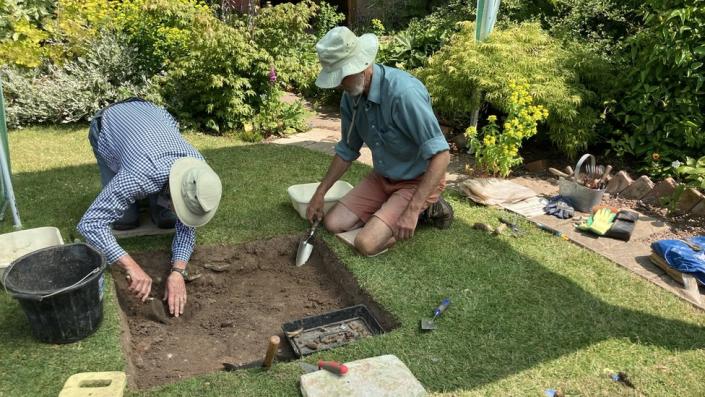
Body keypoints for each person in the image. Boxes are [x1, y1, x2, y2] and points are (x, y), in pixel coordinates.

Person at [306, 27, 453, 256]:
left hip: (417, 181)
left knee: (366, 243)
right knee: (334, 223)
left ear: (361, 65)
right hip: (382, 178)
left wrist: (412, 210)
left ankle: (429, 208)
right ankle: (389, 210)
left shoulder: (404, 94)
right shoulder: (351, 98)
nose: (337, 85)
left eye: (341, 76)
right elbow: (347, 149)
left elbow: (441, 155)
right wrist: (320, 192)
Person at [78, 98, 222, 317]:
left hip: (155, 120)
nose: (184, 211)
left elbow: (186, 226)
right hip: (110, 125)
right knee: (125, 221)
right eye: (181, 205)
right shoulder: (138, 176)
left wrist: (177, 272)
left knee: (167, 220)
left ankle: (154, 202)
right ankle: (138, 200)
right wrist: (131, 267)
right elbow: (91, 224)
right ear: (174, 190)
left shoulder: (198, 171)